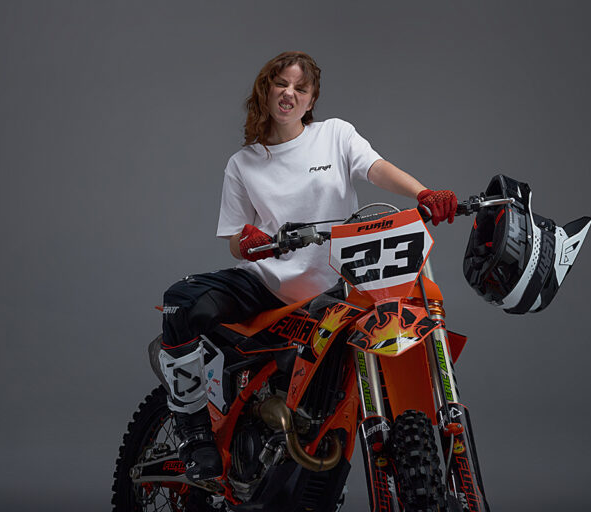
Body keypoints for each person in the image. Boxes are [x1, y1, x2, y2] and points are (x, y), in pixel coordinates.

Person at [154, 51, 458, 481]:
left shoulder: (335, 135)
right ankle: (194, 433)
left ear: (311, 99)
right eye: (281, 84)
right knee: (181, 303)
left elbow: (375, 168)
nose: (289, 93)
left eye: (300, 87)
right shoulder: (242, 164)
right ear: (266, 90)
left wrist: (423, 193)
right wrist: (250, 242)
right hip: (268, 287)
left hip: (339, 288)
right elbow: (236, 244)